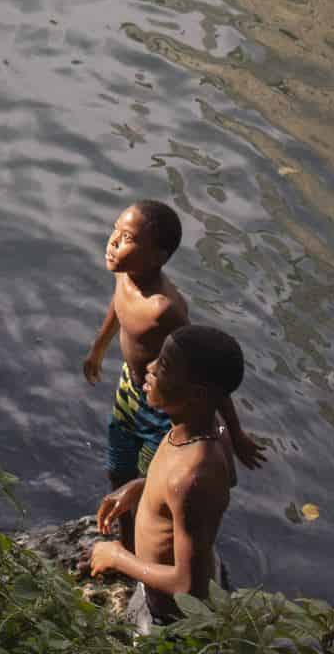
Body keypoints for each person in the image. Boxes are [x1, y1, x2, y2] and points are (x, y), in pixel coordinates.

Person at [83, 199, 268, 485]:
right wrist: (98, 349)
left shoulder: (163, 310)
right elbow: (119, 306)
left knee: (150, 479)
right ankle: (124, 529)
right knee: (118, 468)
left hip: (161, 403)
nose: (113, 242)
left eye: (128, 238)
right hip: (130, 386)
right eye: (115, 230)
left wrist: (235, 431)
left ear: (157, 257)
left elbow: (205, 366)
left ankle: (216, 446)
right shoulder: (125, 272)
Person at [90, 325, 245, 628]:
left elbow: (189, 588)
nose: (148, 368)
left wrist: (118, 557)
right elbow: (229, 478)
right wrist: (141, 486)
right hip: (173, 574)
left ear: (195, 393)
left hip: (171, 618)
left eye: (162, 366)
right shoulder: (205, 427)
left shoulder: (193, 476)